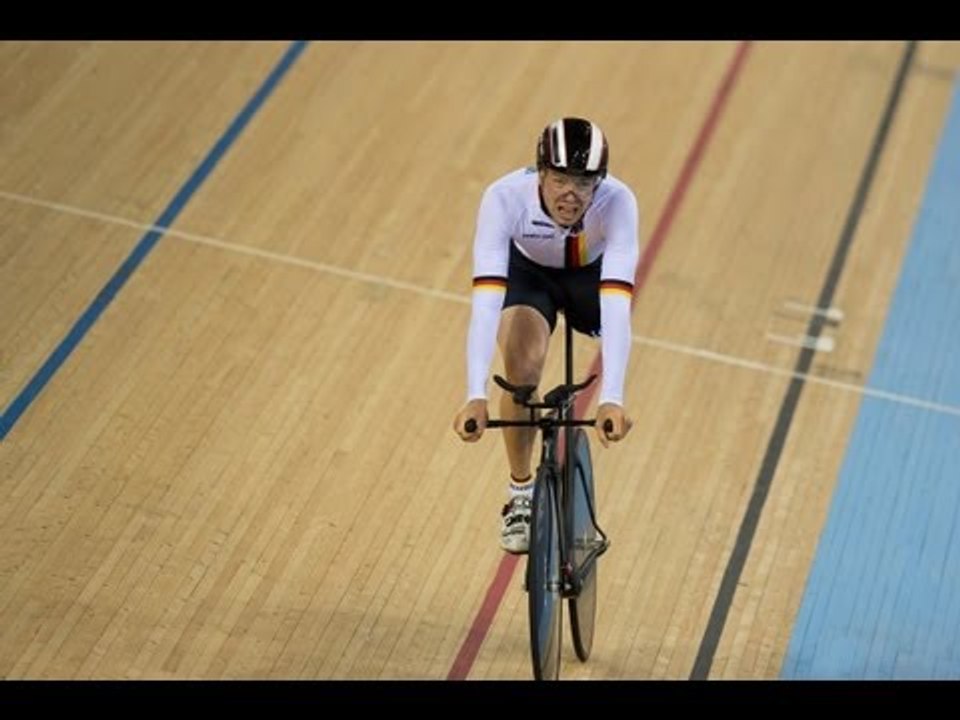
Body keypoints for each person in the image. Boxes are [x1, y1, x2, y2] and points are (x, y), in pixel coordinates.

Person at [452, 117, 640, 554]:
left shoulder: (619, 203)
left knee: (604, 320)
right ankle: (520, 495)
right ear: (540, 173)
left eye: (584, 183)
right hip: (529, 275)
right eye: (559, 180)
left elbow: (615, 304)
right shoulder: (503, 199)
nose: (570, 194)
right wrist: (474, 392)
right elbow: (485, 299)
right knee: (522, 371)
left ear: (600, 182)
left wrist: (613, 396)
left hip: (587, 278)